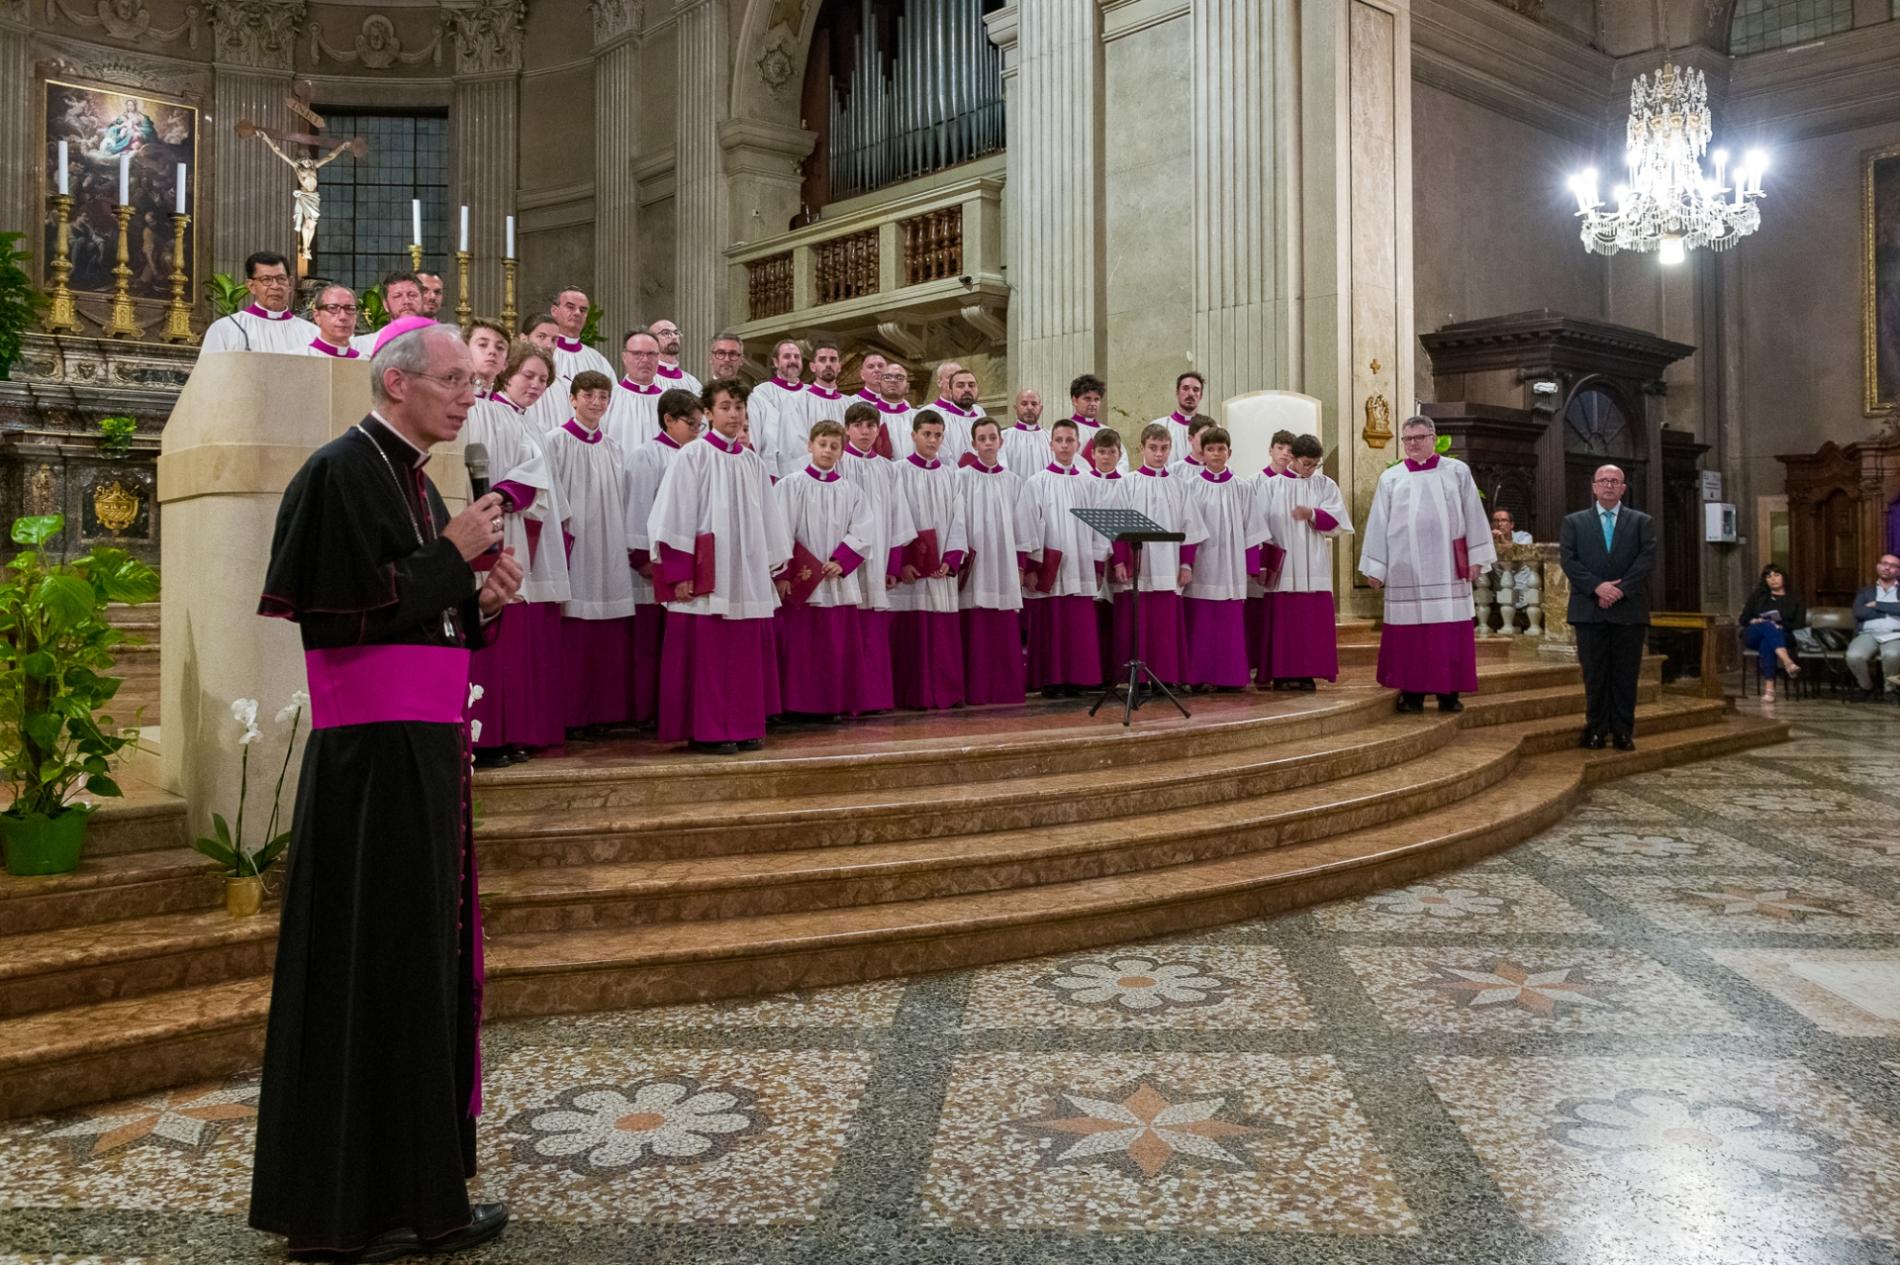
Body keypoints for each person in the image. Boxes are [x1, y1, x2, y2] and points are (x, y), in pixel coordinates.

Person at [251, 321, 518, 1261]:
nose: (466, 393)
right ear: (397, 382)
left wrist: (475, 599)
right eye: (452, 378)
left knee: (419, 967)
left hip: (423, 752)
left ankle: (414, 1189)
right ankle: (352, 1205)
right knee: (377, 966)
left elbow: (409, 603)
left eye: (469, 382)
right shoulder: (339, 470)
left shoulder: (411, 475)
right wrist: (453, 555)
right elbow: (337, 617)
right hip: (374, 766)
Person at [649, 378, 793, 754]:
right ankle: (709, 729)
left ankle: (745, 725)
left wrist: (774, 571)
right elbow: (672, 514)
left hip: (745, 575)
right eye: (726, 407)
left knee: (744, 654)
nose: (734, 414)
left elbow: (769, 521)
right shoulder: (692, 456)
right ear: (709, 414)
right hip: (705, 576)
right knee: (709, 658)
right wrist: (679, 574)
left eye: (739, 407)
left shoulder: (752, 463)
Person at [467, 340, 569, 766]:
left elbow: (542, 480)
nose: (535, 385)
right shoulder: (486, 412)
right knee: (494, 632)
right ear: (509, 374)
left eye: (543, 380)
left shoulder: (529, 423)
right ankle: (487, 737)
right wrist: (507, 494)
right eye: (528, 375)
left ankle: (514, 732)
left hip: (522, 532)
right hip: (492, 527)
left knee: (519, 642)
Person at [1359, 415, 1494, 714]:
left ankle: (1449, 694)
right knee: (1411, 638)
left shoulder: (1456, 472)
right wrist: (1376, 567)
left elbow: (1473, 514)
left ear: (1433, 438)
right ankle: (1412, 693)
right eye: (1407, 439)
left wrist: (1476, 557)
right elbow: (1379, 523)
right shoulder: (1391, 478)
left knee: (1447, 633)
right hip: (1405, 569)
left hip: (1448, 567)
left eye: (1419, 438)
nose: (1413, 444)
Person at [544, 371, 636, 733]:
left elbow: (622, 499)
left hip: (609, 544)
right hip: (575, 544)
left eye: (602, 396)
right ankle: (573, 715)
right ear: (572, 399)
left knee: (608, 634)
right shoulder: (556, 442)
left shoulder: (614, 448)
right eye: (589, 395)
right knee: (575, 632)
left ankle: (604, 713)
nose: (596, 403)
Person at [773, 419, 876, 718]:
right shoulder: (791, 485)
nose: (827, 451)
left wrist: (841, 560)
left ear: (842, 452)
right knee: (800, 646)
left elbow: (863, 529)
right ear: (809, 445)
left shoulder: (851, 491)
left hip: (835, 580)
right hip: (801, 582)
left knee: (833, 646)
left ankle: (831, 703)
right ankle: (795, 704)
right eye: (822, 444)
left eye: (834, 446)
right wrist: (782, 574)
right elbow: (779, 531)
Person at [1559, 463, 1656, 749]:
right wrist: (1598, 587)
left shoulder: (1642, 522)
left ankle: (1623, 731)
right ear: (1594, 487)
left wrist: (1619, 590)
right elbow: (1570, 561)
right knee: (1595, 674)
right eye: (1603, 480)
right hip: (1589, 610)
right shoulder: (1574, 522)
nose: (1609, 485)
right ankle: (1597, 729)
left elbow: (1646, 561)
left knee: (1626, 675)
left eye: (1615, 481)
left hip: (1629, 610)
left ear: (1624, 487)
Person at [623, 389, 704, 727]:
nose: (697, 431)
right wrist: (643, 557)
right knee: (649, 643)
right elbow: (639, 506)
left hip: (688, 562)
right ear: (669, 420)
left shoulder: (698, 454)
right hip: (653, 563)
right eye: (691, 423)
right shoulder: (647, 455)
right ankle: (648, 712)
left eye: (701, 424)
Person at [1108, 423, 1208, 687]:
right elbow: (1117, 525)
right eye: (1153, 448)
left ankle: (1166, 676)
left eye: (1164, 448)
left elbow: (1190, 528)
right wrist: (1119, 560)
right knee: (1138, 622)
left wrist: (1186, 563)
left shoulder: (1179, 486)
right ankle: (1137, 678)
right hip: (1137, 567)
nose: (1159, 454)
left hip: (1168, 565)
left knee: (1164, 625)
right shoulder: (1127, 483)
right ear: (1141, 448)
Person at [1255, 434, 1352, 689]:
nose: (1310, 469)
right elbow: (1259, 528)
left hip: (1314, 563)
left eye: (1315, 464)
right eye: (1307, 463)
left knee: (1310, 624)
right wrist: (1262, 564)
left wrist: (1312, 514)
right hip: (1284, 564)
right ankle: (1284, 674)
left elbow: (1338, 521)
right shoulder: (1271, 486)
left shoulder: (1325, 485)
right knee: (1285, 624)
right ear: (1293, 459)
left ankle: (1307, 672)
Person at [837, 402, 915, 714]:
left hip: (879, 557)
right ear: (847, 429)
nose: (865, 431)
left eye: (871, 426)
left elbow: (898, 518)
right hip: (846, 560)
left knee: (874, 630)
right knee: (849, 629)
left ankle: (875, 697)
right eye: (858, 425)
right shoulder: (839, 464)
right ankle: (849, 697)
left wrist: (893, 564)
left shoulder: (888, 468)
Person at [889, 409, 968, 709]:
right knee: (913, 631)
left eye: (937, 435)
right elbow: (897, 516)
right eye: (927, 434)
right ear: (913, 436)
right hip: (914, 569)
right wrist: (905, 560)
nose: (932, 440)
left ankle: (944, 692)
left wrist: (951, 557)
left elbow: (958, 517)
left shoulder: (950, 474)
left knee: (941, 631)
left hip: (940, 567)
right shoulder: (898, 471)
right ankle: (914, 694)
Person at [1182, 426, 1268, 691]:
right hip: (1203, 565)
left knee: (1228, 624)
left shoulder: (1242, 488)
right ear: (1201, 453)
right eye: (1211, 449)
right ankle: (1197, 677)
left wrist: (1252, 568)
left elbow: (1252, 529)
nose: (1216, 454)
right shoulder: (1191, 487)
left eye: (1221, 449)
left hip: (1231, 567)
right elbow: (1185, 528)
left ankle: (1229, 678)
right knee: (1201, 622)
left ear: (1229, 452)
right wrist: (1186, 563)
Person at [1023, 418, 1105, 697]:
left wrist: (1097, 564)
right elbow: (1030, 526)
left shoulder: (1089, 482)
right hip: (1051, 566)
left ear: (1078, 445)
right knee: (1051, 623)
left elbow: (1099, 527)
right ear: (1051, 445)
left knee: (1077, 624)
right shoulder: (1036, 482)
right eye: (1059, 440)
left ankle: (1077, 677)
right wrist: (1032, 567)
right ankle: (1051, 680)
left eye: (1070, 440)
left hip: (1080, 563)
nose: (1065, 445)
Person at [957, 417, 1037, 704]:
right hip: (975, 563)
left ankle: (1005, 688)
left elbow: (1022, 528)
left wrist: (1019, 565)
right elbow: (956, 521)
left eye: (993, 437)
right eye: (982, 438)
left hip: (1003, 564)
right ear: (973, 443)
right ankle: (976, 689)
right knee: (975, 620)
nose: (988, 443)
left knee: (1002, 622)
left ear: (1001, 442)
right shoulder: (962, 478)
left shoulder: (1013, 481)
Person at [200, 251, 319, 353]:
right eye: (266, 279)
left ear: (290, 283)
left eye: (281, 279)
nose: (275, 286)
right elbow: (210, 376)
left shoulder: (312, 333)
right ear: (251, 286)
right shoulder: (226, 328)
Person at [1738, 564, 1808, 703]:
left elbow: (1799, 623)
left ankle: (1769, 690)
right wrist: (1756, 620)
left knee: (1767, 643)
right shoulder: (1757, 596)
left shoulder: (1795, 598)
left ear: (1783, 577)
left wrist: (1780, 626)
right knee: (1767, 626)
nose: (1772, 579)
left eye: (1776, 575)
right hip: (1754, 633)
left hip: (1784, 634)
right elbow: (1743, 619)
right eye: (1768, 576)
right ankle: (1788, 662)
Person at [1846, 553, 1900, 701]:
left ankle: (1890, 689)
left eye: (1893, 565)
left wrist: (1877, 605)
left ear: (1898, 571)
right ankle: (1866, 687)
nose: (1887, 567)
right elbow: (1859, 612)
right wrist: (1890, 610)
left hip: (1895, 635)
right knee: (1853, 656)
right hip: (1868, 633)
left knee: (1893, 655)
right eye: (1884, 563)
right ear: (1878, 566)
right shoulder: (1865, 591)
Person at [604, 329, 665, 452]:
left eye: (651, 354)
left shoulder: (668, 402)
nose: (645, 360)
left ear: (659, 358)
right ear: (624, 357)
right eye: (637, 354)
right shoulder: (608, 399)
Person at [350, 272, 424, 355]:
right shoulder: (361, 347)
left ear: (423, 301)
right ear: (386, 305)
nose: (406, 301)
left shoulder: (439, 343)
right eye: (397, 296)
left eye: (412, 295)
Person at [1068, 373, 1124, 472]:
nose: (1093, 404)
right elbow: (1064, 458)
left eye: (1097, 399)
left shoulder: (1108, 431)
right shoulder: (1063, 429)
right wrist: (1093, 478)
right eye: (1087, 398)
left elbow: (1122, 462)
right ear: (1075, 400)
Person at [932, 367, 984, 468]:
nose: (967, 389)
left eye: (971, 385)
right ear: (950, 392)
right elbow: (942, 458)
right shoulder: (941, 421)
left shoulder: (981, 415)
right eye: (960, 386)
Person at [1152, 372, 1205, 464]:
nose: (1191, 393)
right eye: (1185, 388)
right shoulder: (1157, 426)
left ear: (1201, 396)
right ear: (1177, 392)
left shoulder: (1211, 429)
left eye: (1196, 390)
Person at [646, 318, 703, 396]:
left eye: (676, 333)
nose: (674, 337)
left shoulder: (693, 383)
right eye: (665, 333)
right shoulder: (642, 379)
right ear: (651, 340)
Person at [876, 361, 921, 459]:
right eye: (887, 377)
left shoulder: (919, 417)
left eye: (899, 378)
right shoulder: (868, 416)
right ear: (879, 385)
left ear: (908, 387)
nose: (893, 381)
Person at [1000, 388, 1049, 474]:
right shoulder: (1002, 438)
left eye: (1034, 404)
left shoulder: (1051, 438)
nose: (1030, 407)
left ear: (1041, 409)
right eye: (1024, 404)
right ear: (1015, 408)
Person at [306, 283, 360, 359]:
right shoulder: (297, 358)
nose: (343, 317)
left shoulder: (367, 361)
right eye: (332, 308)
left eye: (350, 308)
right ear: (317, 316)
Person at [465, 319, 511, 395]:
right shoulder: (448, 398)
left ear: (505, 363)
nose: (492, 351)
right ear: (464, 351)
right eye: (483, 345)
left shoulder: (505, 405)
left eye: (500, 347)